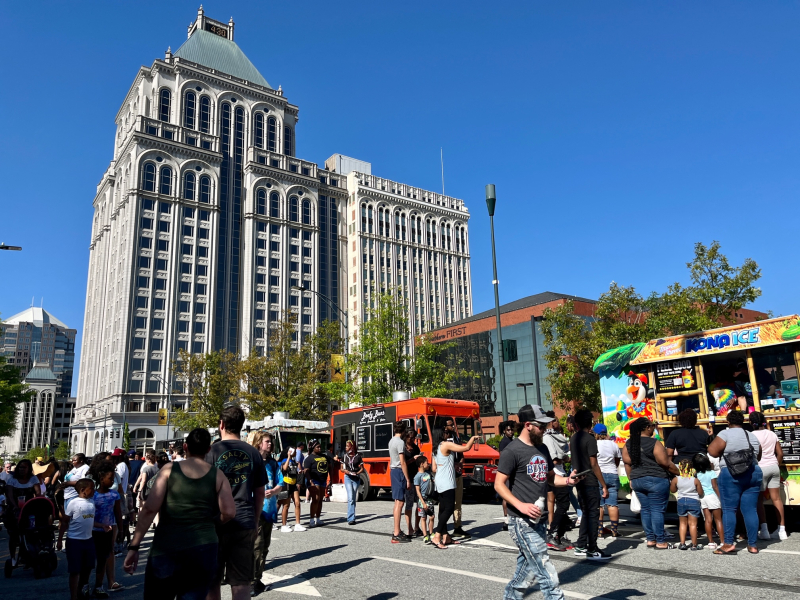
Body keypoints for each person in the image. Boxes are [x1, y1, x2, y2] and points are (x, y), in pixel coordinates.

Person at [124, 428, 236, 600]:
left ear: (185, 446)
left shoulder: (169, 470)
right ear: (208, 450)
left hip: (167, 546)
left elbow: (149, 509)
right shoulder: (218, 475)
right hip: (203, 547)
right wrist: (211, 523)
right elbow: (228, 512)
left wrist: (134, 546)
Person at [495, 404, 583, 600]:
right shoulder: (512, 451)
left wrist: (568, 481)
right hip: (521, 520)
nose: (545, 429)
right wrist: (520, 505)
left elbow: (551, 478)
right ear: (527, 425)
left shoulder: (542, 448)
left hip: (540, 519)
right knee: (544, 567)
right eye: (541, 426)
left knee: (526, 569)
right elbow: (499, 485)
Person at [205, 405, 267, 600]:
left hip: (214, 523)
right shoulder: (253, 453)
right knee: (241, 583)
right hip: (244, 520)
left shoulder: (211, 451)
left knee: (211, 581)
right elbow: (259, 492)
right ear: (241, 426)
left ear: (221, 424)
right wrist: (255, 520)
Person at [708, 410, 763, 555]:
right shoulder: (751, 435)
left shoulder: (725, 434)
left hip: (731, 474)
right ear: (743, 421)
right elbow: (759, 455)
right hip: (753, 472)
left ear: (728, 421)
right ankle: (753, 545)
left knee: (729, 509)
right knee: (751, 510)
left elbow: (712, 451)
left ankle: (728, 544)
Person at [622, 418, 678, 549]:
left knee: (646, 510)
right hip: (656, 479)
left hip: (637, 480)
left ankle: (650, 539)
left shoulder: (629, 444)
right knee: (657, 510)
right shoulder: (654, 443)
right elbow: (665, 462)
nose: (653, 428)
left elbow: (627, 462)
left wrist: (631, 479)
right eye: (652, 426)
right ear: (647, 428)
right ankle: (661, 541)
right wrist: (679, 472)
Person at [569, 410, 609, 560]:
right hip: (590, 480)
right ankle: (592, 549)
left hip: (579, 480)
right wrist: (603, 484)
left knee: (586, 513)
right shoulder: (590, 439)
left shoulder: (573, 438)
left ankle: (581, 545)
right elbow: (594, 464)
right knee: (593, 515)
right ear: (590, 422)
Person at [431, 427, 479, 549]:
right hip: (447, 481)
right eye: (446, 432)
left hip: (439, 480)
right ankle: (437, 536)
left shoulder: (435, 448)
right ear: (441, 434)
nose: (448, 434)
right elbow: (465, 448)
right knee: (449, 508)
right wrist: (472, 438)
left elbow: (434, 469)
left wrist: (445, 464)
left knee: (442, 509)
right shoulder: (446, 444)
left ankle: (446, 536)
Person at [251, 431, 283, 596]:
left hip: (269, 510)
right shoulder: (252, 462)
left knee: (265, 548)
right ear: (258, 443)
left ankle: (257, 578)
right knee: (256, 546)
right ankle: (251, 582)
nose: (270, 444)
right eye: (267, 441)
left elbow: (281, 482)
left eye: (271, 442)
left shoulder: (273, 463)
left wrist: (275, 490)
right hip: (255, 511)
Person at [750, 411, 787, 540]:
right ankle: (782, 530)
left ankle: (764, 530)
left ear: (751, 422)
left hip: (760, 468)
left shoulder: (751, 435)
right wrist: (776, 464)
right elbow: (780, 453)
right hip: (774, 467)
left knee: (759, 500)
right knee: (776, 499)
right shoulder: (772, 434)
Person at [60, 478, 97, 600]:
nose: (94, 490)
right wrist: (60, 539)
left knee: (88, 567)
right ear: (82, 490)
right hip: (75, 541)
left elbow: (90, 520)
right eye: (91, 488)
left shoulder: (91, 503)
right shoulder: (74, 503)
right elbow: (65, 522)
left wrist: (102, 526)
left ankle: (81, 589)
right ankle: (73, 596)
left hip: (88, 540)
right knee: (75, 570)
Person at [91, 461, 123, 598]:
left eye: (113, 479)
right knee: (91, 559)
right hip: (92, 531)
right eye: (110, 479)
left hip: (107, 531)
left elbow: (117, 512)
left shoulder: (114, 495)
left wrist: (121, 530)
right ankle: (84, 585)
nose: (112, 481)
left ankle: (99, 585)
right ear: (101, 478)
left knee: (104, 558)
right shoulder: (92, 495)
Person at [3, 459, 42, 566]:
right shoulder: (12, 479)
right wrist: (15, 506)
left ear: (29, 468)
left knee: (32, 532)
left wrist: (36, 504)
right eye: (20, 467)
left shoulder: (33, 479)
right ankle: (13, 558)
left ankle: (30, 553)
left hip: (29, 509)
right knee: (14, 535)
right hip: (14, 509)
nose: (21, 469)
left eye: (24, 467)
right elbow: (9, 495)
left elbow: (38, 493)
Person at [542, 417, 572, 550]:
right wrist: (563, 458)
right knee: (563, 504)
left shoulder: (553, 436)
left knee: (561, 504)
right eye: (556, 421)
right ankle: (552, 534)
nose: (558, 423)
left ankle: (559, 535)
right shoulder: (548, 437)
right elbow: (553, 460)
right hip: (555, 474)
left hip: (558, 473)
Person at [444, 417, 470, 540]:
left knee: (458, 502)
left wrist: (460, 462)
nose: (453, 427)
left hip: (457, 473)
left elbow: (461, 452)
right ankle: (442, 529)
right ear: (445, 426)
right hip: (448, 475)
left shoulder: (456, 437)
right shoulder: (442, 440)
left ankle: (457, 527)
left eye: (453, 424)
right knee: (448, 503)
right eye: (450, 425)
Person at [593, 424, 621, 538]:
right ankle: (614, 530)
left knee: (600, 505)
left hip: (599, 475)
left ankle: (600, 530)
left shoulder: (594, 444)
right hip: (612, 474)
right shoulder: (613, 444)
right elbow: (617, 460)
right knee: (613, 504)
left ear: (595, 433)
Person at [670, 459, 704, 550]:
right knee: (693, 524)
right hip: (693, 501)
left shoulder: (676, 479)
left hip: (681, 501)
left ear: (680, 467)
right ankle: (694, 545)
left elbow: (673, 490)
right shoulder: (695, 480)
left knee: (682, 523)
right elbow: (700, 492)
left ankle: (682, 543)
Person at [693, 452, 724, 550]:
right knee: (718, 520)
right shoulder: (711, 473)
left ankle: (711, 542)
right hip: (712, 496)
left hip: (703, 497)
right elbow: (715, 486)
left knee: (708, 520)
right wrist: (721, 498)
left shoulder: (697, 475)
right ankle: (723, 541)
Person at [389, 421, 412, 543]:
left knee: (397, 502)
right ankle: (396, 533)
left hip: (393, 471)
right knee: (400, 503)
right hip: (399, 472)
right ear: (403, 431)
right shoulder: (400, 442)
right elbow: (402, 462)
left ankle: (396, 530)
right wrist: (408, 479)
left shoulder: (391, 441)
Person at [302, 440, 335, 527]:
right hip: (314, 480)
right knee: (315, 499)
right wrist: (310, 481)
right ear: (313, 448)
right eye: (317, 447)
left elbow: (330, 467)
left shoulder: (325, 456)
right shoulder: (309, 458)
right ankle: (312, 519)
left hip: (323, 480)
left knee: (320, 499)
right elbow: (306, 471)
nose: (319, 448)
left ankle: (318, 518)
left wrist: (331, 479)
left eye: (320, 447)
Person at [279, 448, 305, 532]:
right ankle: (283, 525)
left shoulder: (294, 461)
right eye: (292, 451)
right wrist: (289, 457)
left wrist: (299, 472)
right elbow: (284, 469)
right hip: (286, 484)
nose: (294, 452)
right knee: (286, 505)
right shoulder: (284, 460)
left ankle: (297, 524)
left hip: (294, 484)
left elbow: (295, 471)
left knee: (297, 503)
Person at [402, 430, 422, 536]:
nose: (413, 439)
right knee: (409, 504)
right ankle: (409, 527)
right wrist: (412, 460)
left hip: (416, 477)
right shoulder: (403, 448)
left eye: (414, 437)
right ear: (406, 437)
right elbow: (402, 463)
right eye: (411, 437)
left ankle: (417, 527)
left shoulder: (416, 447)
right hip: (407, 478)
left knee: (419, 503)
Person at [498, 421, 516, 531]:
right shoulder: (504, 442)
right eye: (508, 430)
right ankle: (506, 519)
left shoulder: (512, 441)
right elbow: (502, 457)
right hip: (506, 471)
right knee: (506, 495)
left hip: (513, 471)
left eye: (511, 430)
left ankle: (510, 518)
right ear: (504, 431)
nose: (510, 432)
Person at [413, 455, 435, 544]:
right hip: (422, 500)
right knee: (423, 518)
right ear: (422, 464)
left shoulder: (428, 474)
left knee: (432, 516)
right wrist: (422, 502)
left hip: (430, 499)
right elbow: (417, 491)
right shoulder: (417, 477)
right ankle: (425, 535)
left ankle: (431, 532)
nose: (428, 464)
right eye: (426, 462)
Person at [341, 440, 364, 525]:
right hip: (348, 477)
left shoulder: (358, 456)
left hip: (356, 478)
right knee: (350, 497)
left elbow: (362, 468)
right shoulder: (344, 456)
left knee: (353, 498)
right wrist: (345, 471)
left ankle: (352, 516)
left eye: (347, 446)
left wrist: (357, 473)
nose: (346, 448)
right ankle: (351, 518)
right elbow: (341, 468)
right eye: (346, 446)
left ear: (352, 447)